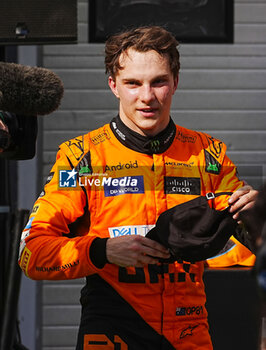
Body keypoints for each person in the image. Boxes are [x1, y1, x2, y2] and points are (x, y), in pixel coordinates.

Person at [19, 26, 258, 350]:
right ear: (113, 85)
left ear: (175, 82)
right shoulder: (82, 156)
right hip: (112, 330)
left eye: (158, 82)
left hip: (189, 333)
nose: (147, 97)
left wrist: (255, 215)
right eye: (133, 83)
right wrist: (103, 251)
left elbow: (247, 245)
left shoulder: (207, 153)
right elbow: (31, 254)